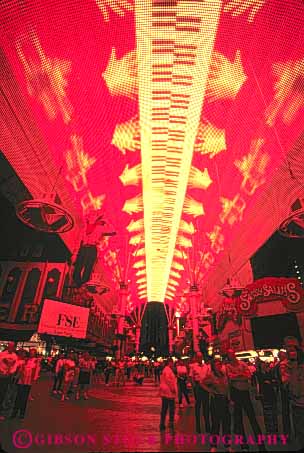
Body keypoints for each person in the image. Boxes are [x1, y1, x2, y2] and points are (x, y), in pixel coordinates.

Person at [226, 349, 266, 452]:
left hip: (245, 393)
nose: (231, 356)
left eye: (232, 354)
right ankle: (244, 445)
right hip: (236, 394)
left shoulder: (242, 364)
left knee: (253, 419)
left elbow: (248, 375)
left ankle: (261, 445)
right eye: (229, 355)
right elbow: (231, 378)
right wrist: (241, 376)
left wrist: (237, 376)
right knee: (239, 421)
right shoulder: (228, 367)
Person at [202, 357, 232, 453]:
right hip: (216, 400)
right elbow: (202, 383)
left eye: (220, 364)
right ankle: (213, 445)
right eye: (217, 364)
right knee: (215, 424)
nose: (219, 366)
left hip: (225, 401)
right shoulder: (211, 375)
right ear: (213, 366)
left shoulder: (224, 375)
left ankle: (227, 445)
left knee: (226, 423)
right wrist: (210, 390)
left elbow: (227, 388)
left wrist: (229, 399)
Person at [281, 345, 304, 447]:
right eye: (289, 351)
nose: (291, 353)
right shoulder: (286, 366)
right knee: (300, 431)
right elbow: (292, 388)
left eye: (293, 350)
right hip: (297, 403)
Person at [10, 350, 37, 419]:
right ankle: (14, 412)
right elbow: (17, 366)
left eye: (33, 353)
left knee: (24, 398)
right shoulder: (24, 360)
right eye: (31, 353)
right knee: (18, 397)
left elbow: (35, 371)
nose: (31, 354)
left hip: (28, 382)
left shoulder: (35, 361)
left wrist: (33, 379)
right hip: (21, 381)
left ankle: (22, 413)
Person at [189, 352, 211, 433]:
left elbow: (208, 376)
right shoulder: (193, 366)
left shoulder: (206, 366)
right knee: (198, 407)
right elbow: (191, 377)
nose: (200, 358)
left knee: (206, 407)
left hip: (205, 387)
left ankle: (207, 426)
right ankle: (198, 426)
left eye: (201, 357)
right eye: (198, 357)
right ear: (196, 358)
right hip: (198, 387)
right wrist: (194, 386)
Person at [256, 360, 278, 434]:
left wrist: (271, 382)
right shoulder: (258, 374)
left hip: (271, 394)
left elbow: (274, 381)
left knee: (274, 413)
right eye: (262, 365)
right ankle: (269, 430)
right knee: (267, 413)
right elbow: (259, 384)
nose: (264, 366)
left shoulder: (269, 373)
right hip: (265, 394)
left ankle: (274, 430)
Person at [0, 342, 18, 421]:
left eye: (12, 346)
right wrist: (1, 371)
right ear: (7, 346)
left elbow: (15, 366)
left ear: (14, 347)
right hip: (1, 375)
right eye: (9, 346)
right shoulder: (2, 354)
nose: (10, 348)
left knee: (3, 394)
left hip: (7, 377)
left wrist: (10, 372)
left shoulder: (14, 356)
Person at [159, 358, 178, 432]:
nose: (173, 364)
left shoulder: (167, 370)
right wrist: (172, 388)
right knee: (170, 408)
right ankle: (169, 423)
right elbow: (168, 380)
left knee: (165, 408)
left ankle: (164, 423)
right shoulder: (167, 370)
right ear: (169, 363)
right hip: (168, 392)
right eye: (172, 362)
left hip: (167, 392)